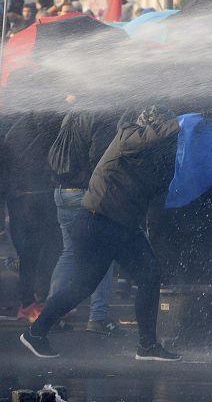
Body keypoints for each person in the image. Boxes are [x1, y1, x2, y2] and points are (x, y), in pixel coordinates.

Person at [20, 105, 182, 361]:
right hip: (100, 221)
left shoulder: (150, 154)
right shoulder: (128, 136)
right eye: (164, 128)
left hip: (120, 224)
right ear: (154, 127)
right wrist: (179, 123)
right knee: (85, 284)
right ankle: (36, 332)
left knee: (147, 275)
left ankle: (147, 346)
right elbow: (142, 139)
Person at [47, 95, 122, 336]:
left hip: (61, 192)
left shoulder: (72, 115)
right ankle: (98, 317)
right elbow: (102, 159)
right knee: (102, 254)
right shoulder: (102, 115)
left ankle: (51, 315)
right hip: (85, 194)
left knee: (69, 252)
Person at [5, 111, 63, 324]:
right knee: (38, 253)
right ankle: (32, 303)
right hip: (31, 200)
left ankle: (35, 302)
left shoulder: (25, 126)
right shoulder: (41, 124)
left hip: (29, 199)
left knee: (37, 253)